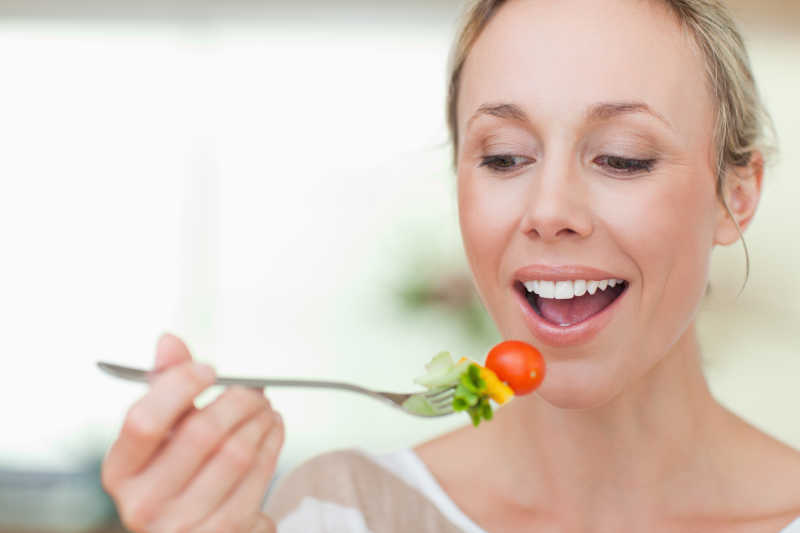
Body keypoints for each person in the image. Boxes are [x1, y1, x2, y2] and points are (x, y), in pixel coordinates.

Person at [100, 0, 800, 531]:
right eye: (504, 157)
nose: (548, 209)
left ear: (736, 196)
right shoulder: (341, 511)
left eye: (623, 157)